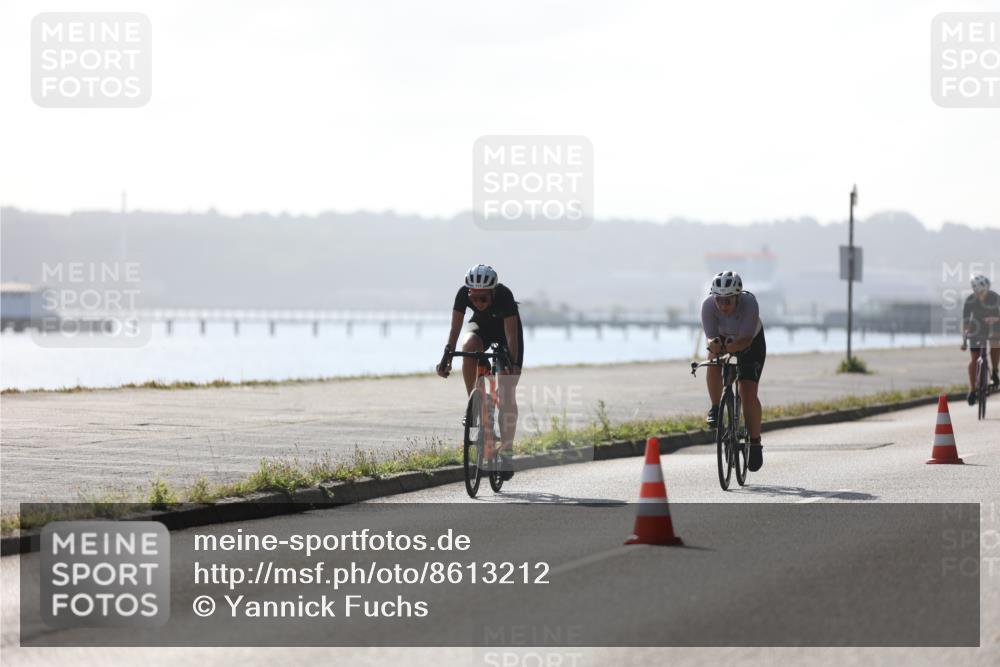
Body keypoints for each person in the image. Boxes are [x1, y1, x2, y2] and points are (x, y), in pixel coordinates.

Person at [436, 264, 523, 480]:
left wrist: (511, 365)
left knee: (507, 392)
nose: (478, 303)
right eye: (474, 299)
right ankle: (473, 403)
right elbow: (455, 329)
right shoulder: (463, 294)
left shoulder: (504, 295)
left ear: (493, 292)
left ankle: (507, 452)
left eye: (483, 299)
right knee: (468, 347)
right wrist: (446, 357)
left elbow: (511, 334)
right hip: (481, 329)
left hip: (506, 335)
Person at [700, 270, 767, 471]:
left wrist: (727, 348)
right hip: (724, 341)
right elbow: (711, 338)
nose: (723, 306)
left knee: (747, 391)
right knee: (712, 360)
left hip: (751, 342)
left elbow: (745, 340)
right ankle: (715, 407)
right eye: (719, 300)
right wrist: (715, 347)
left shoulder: (749, 304)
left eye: (728, 301)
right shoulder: (707, 306)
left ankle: (755, 443)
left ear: (738, 296)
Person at [961, 273, 1000, 405]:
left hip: (994, 325)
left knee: (996, 343)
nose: (981, 294)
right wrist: (964, 338)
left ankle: (994, 372)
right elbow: (965, 322)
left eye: (983, 291)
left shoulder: (995, 297)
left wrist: (996, 319)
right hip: (976, 328)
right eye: (978, 292)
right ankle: (972, 389)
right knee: (974, 359)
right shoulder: (970, 300)